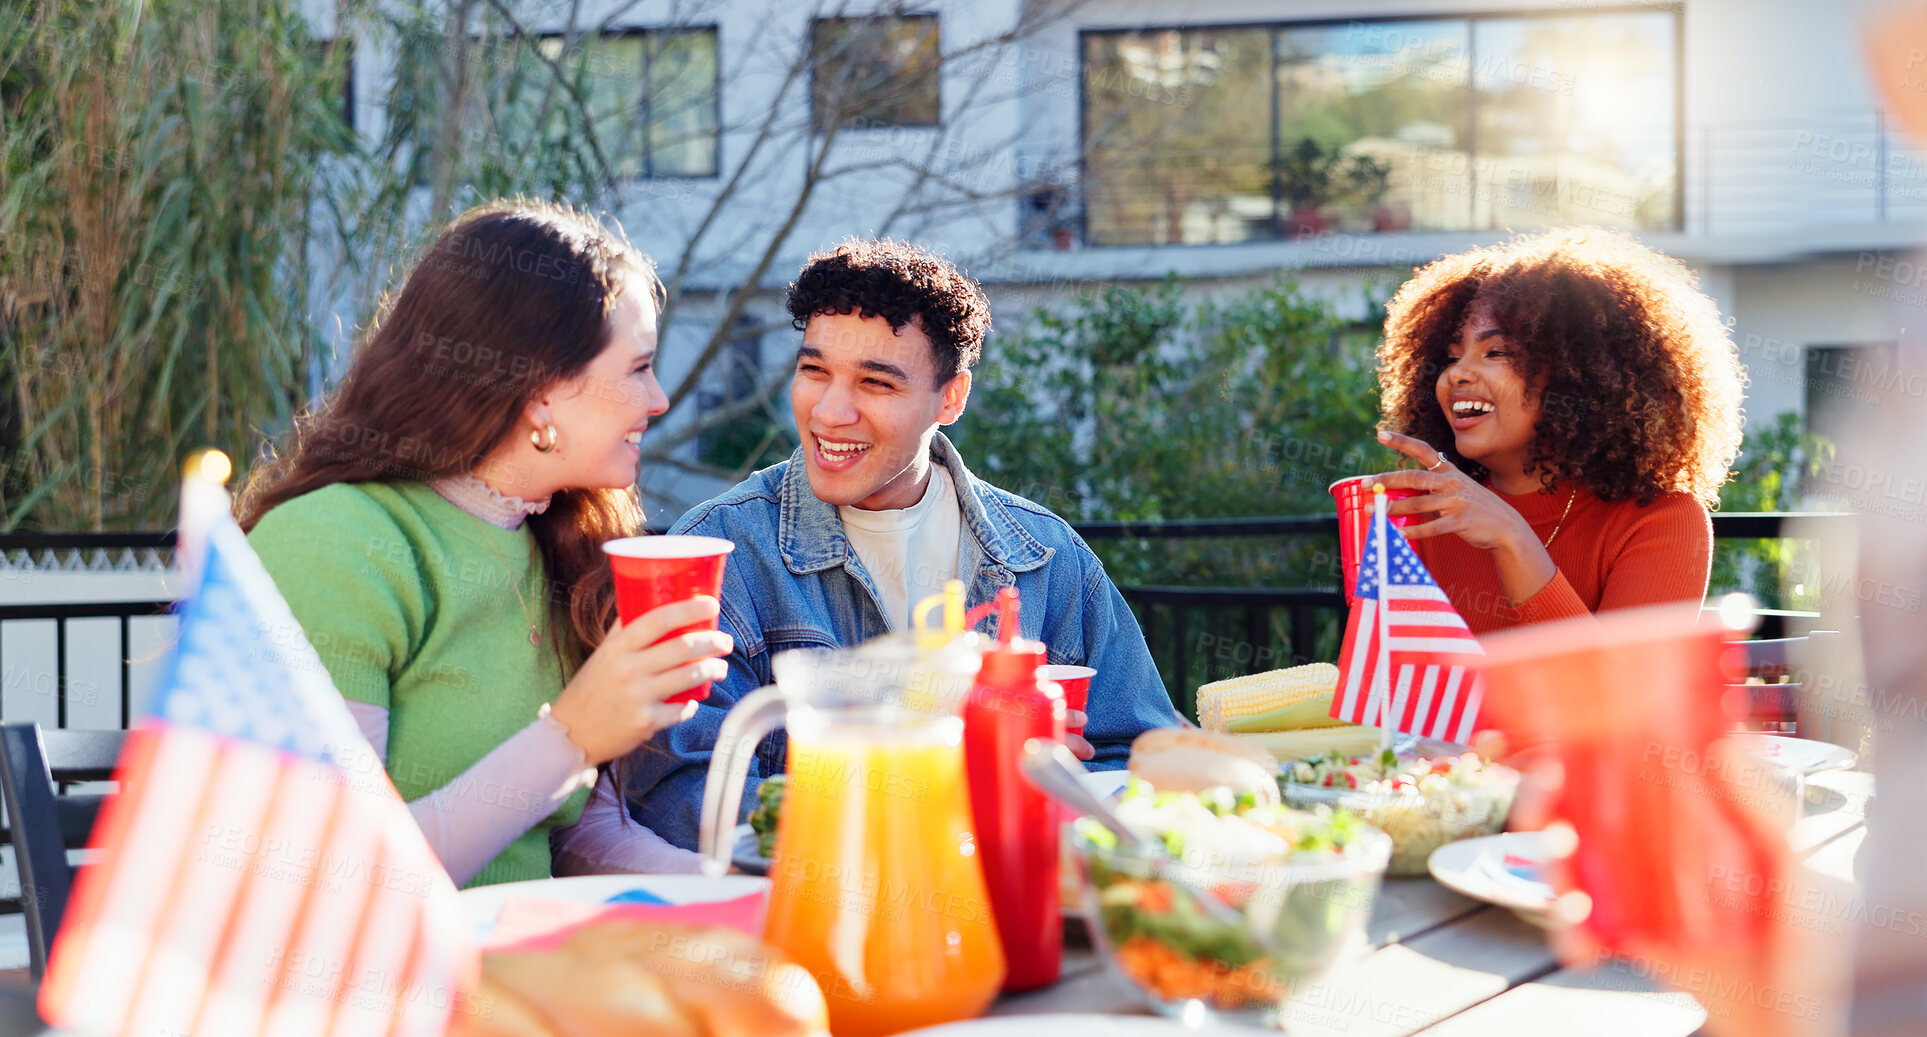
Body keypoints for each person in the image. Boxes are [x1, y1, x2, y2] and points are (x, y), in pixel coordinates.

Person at [613, 238, 1183, 852]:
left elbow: (1137, 771)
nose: (830, 412)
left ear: (951, 398)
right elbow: (686, 799)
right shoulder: (720, 550)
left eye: (875, 384)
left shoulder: (1045, 556)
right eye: (814, 370)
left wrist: (1053, 790)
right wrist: (955, 785)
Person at [240, 200, 730, 886]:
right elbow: (337, 883)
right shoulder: (333, 544)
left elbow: (576, 833)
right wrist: (570, 738)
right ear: (538, 391)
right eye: (637, 367)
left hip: (523, 963)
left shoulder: (562, 540)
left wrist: (734, 892)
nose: (659, 399)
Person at [1367, 228, 1745, 634]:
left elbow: (1619, 693)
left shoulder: (1661, 520)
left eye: (1495, 352)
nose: (1457, 374)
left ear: (1575, 375)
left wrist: (1512, 538)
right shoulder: (1425, 516)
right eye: (1451, 356)